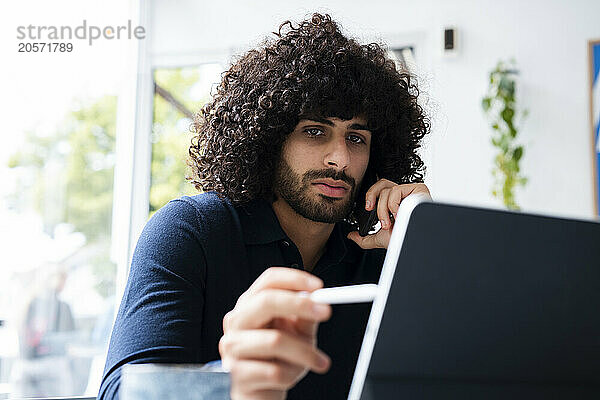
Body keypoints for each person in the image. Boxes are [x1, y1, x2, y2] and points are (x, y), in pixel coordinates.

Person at [99, 13, 431, 400]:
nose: (339, 158)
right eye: (314, 131)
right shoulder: (191, 231)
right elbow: (123, 391)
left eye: (356, 138)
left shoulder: (382, 255)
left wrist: (425, 249)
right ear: (269, 140)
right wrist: (230, 381)